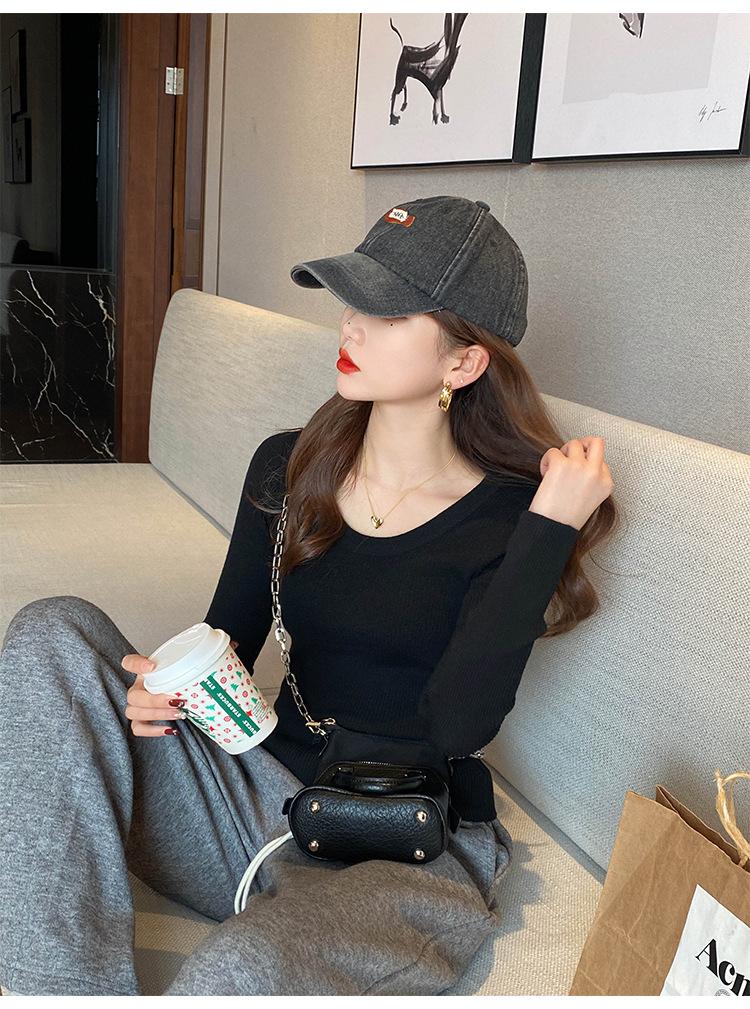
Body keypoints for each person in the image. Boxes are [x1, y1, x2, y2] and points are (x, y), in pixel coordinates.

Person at [0, 195, 616, 996]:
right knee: (51, 631)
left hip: (405, 845)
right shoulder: (287, 467)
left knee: (240, 969)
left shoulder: (511, 518)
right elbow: (225, 640)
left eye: (386, 313)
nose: (350, 325)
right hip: (250, 801)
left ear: (463, 364)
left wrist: (549, 530)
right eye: (351, 300)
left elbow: (460, 723)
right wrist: (163, 692)